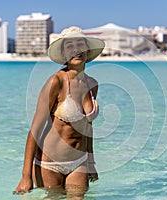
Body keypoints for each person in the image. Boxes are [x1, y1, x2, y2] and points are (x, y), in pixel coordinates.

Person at [14, 26, 105, 198]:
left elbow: (88, 128)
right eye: (70, 46)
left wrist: (91, 162)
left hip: (79, 162)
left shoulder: (92, 84)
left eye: (80, 45)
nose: (76, 50)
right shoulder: (56, 82)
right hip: (49, 164)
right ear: (64, 54)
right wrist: (25, 177)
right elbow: (35, 130)